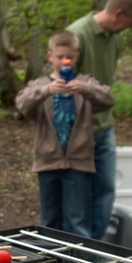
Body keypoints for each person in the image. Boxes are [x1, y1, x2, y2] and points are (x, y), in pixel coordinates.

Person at [67, 0, 132, 240]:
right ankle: (78, 257)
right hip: (77, 130)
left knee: (105, 191)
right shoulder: (76, 35)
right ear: (119, 13)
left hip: (105, 127)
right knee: (78, 200)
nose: (130, 28)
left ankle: (96, 252)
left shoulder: (116, 38)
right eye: (131, 21)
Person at [16, 30, 114, 237]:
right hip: (48, 160)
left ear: (77, 57)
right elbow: (22, 104)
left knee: (77, 220)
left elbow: (108, 99)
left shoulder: (85, 81)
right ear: (50, 57)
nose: (65, 61)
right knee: (50, 220)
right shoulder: (41, 84)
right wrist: (47, 91)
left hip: (79, 161)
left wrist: (85, 89)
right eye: (60, 57)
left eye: (70, 57)